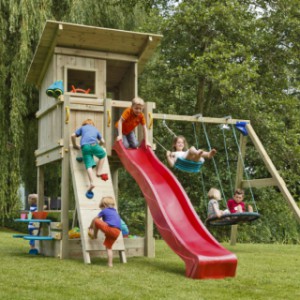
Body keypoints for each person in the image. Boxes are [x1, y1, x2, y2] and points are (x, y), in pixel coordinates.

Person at [71, 119, 108, 194]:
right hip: (94, 145)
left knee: (88, 166)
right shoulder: (95, 129)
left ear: (84, 124)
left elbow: (72, 135)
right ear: (92, 124)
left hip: (85, 147)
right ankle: (98, 172)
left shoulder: (82, 128)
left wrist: (74, 145)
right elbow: (103, 141)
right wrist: (98, 146)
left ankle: (92, 183)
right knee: (103, 155)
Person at [88, 196, 121, 267]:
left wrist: (91, 226)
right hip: (117, 232)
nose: (101, 209)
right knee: (109, 248)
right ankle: (110, 264)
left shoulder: (104, 210)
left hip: (111, 229)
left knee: (96, 221)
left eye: (102, 207)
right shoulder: (115, 212)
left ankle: (95, 236)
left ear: (105, 205)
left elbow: (95, 219)